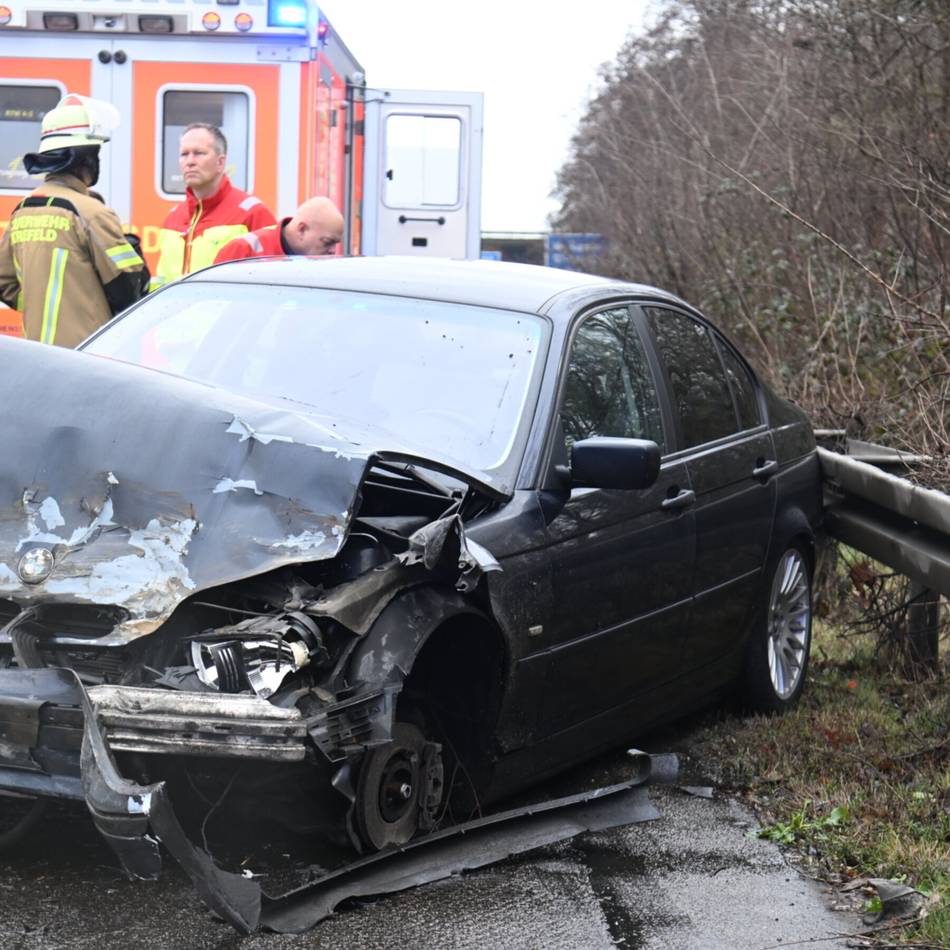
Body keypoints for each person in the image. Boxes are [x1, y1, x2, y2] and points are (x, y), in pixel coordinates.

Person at [0, 94, 148, 348]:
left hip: (38, 354)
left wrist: (40, 301)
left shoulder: (22, 212)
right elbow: (130, 289)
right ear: (86, 159)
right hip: (86, 356)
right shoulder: (91, 213)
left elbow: (4, 282)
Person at [151, 123, 276, 290]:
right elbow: (161, 283)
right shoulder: (173, 218)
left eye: (199, 153)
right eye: (184, 154)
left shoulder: (253, 214)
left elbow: (271, 284)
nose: (190, 162)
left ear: (220, 162)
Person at [213, 196, 344, 263]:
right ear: (302, 230)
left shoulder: (321, 265)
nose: (333, 251)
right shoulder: (243, 251)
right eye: (327, 242)